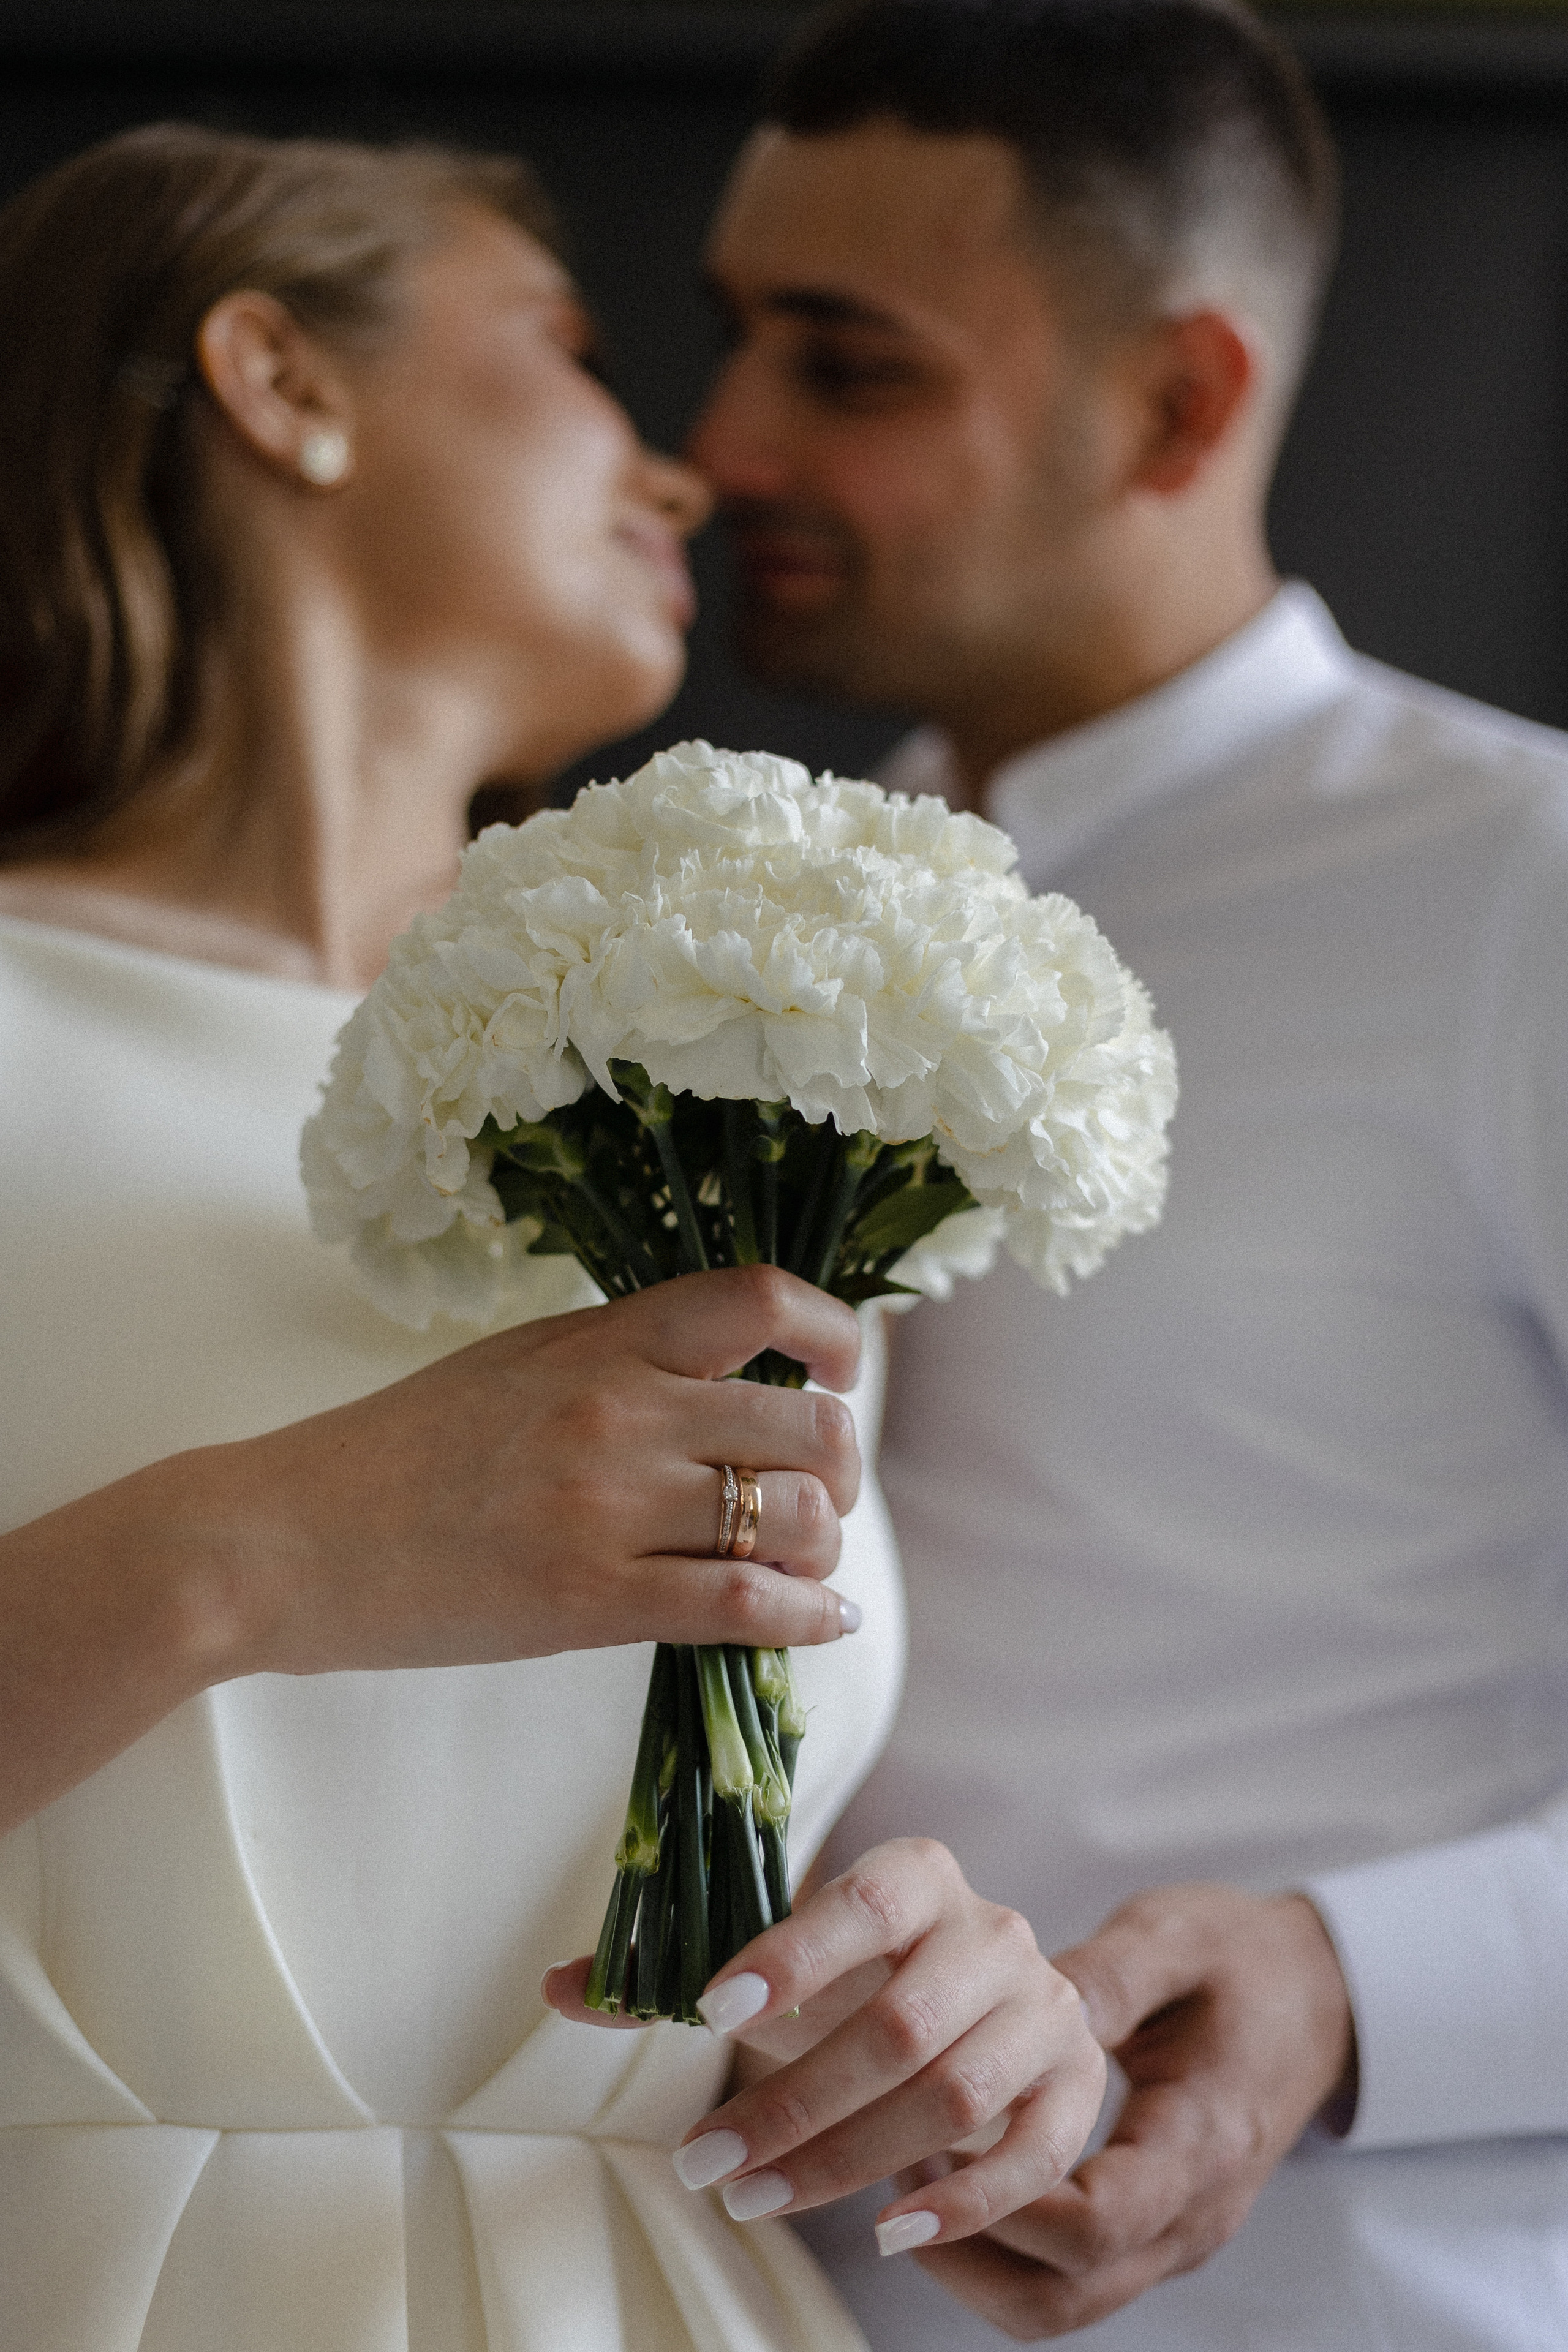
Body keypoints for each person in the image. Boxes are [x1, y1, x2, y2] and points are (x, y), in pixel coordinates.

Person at [0, 123, 1107, 2352]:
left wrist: (958, 2032)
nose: (690, 472)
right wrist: (255, 1556)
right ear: (277, 380)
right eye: (574, 352)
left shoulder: (729, 1142)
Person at [688, 1, 1568, 2345]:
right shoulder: (724, 940)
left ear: (1175, 402)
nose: (721, 443)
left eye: (846, 366)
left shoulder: (1528, 889)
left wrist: (1354, 1986)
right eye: (731, 337)